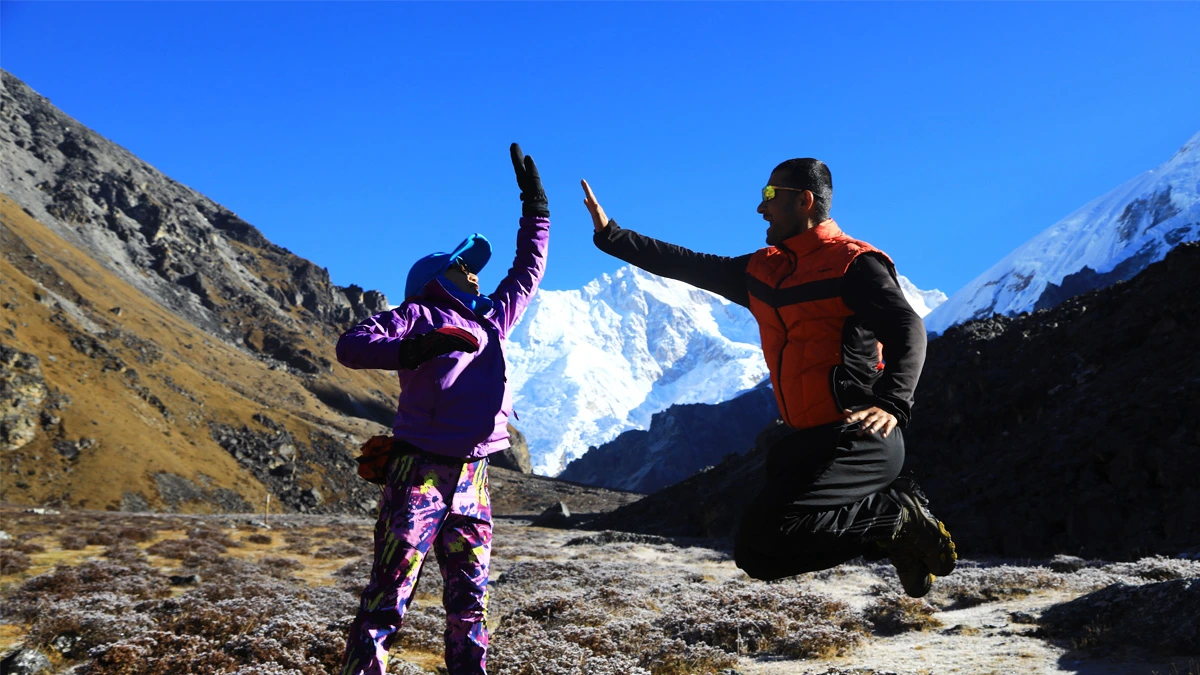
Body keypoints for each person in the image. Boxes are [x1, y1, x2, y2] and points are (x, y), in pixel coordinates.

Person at [580, 158, 955, 597]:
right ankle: (895, 530)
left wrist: (893, 401)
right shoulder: (763, 272)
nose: (761, 208)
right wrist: (611, 236)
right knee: (759, 553)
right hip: (806, 443)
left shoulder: (854, 264)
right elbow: (688, 264)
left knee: (774, 538)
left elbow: (908, 327)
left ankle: (896, 518)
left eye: (770, 196)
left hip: (858, 438)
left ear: (805, 201)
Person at [336, 143, 550, 675]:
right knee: (389, 594)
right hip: (417, 472)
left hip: (474, 478)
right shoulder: (413, 316)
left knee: (470, 602)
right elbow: (351, 346)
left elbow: (527, 271)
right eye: (462, 268)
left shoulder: (493, 321)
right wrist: (413, 349)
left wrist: (537, 211)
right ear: (432, 281)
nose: (474, 274)